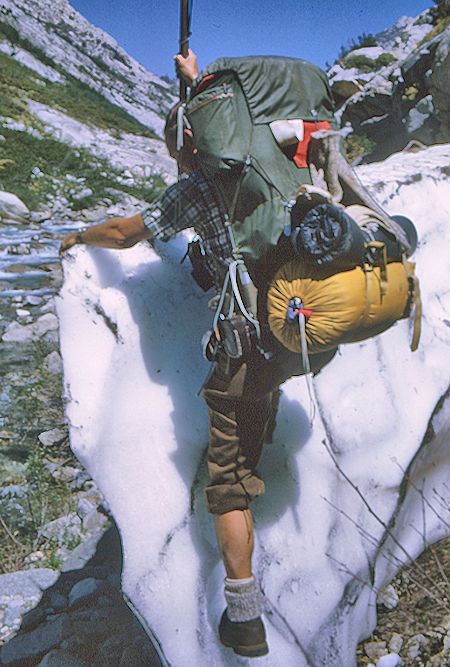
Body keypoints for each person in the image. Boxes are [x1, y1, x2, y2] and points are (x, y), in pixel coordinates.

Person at [60, 50, 335, 658]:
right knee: (258, 396)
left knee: (227, 478)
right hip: (308, 322)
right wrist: (197, 82)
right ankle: (262, 450)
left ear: (189, 142)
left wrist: (79, 236)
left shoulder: (194, 188)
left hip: (249, 338)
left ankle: (243, 616)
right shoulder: (271, 159)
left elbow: (127, 233)